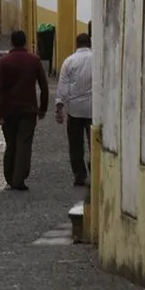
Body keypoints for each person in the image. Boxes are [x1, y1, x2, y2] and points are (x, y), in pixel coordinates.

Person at [0, 29, 50, 191]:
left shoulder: (4, 62)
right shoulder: (34, 60)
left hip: (9, 110)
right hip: (28, 109)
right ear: (25, 42)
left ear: (11, 42)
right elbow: (44, 87)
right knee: (24, 144)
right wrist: (43, 108)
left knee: (11, 144)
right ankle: (19, 178)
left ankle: (10, 176)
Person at [55, 33, 94, 186]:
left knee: (75, 143)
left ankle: (79, 174)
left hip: (74, 109)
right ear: (89, 43)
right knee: (94, 142)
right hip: (93, 109)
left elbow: (63, 86)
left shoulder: (69, 62)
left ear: (76, 44)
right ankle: (95, 168)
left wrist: (59, 106)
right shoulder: (97, 58)